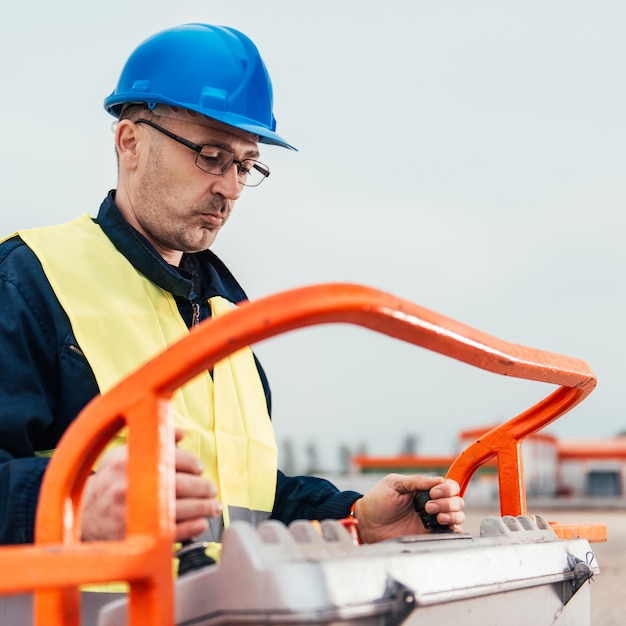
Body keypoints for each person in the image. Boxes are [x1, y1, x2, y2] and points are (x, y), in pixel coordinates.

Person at [0, 23, 463, 557]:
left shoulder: (227, 314)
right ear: (130, 142)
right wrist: (74, 506)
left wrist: (355, 518)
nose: (230, 188)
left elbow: (245, 502)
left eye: (245, 165)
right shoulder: (30, 281)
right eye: (211, 155)